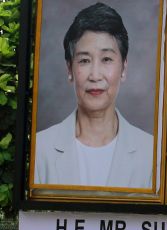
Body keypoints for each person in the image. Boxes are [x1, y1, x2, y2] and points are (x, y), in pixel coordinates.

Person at [34, 2, 153, 188]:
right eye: (84, 60)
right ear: (70, 69)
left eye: (106, 59)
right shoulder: (39, 149)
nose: (95, 75)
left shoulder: (152, 153)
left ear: (124, 68)